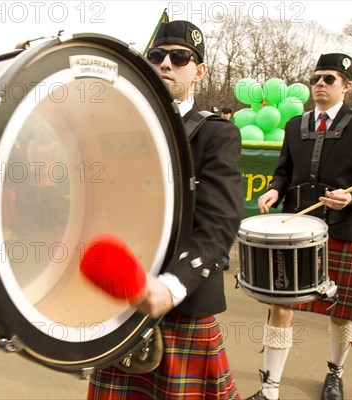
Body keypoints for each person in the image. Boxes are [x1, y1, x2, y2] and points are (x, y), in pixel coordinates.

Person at [87, 20, 243, 400]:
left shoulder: (216, 134)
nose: (166, 64)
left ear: (199, 70)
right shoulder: (118, 128)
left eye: (180, 57)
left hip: (181, 298)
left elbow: (219, 222)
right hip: (122, 301)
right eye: (157, 56)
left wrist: (169, 287)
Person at [248, 53, 352, 400]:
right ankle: (269, 388)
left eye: (329, 79)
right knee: (280, 305)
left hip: (345, 229)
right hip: (297, 231)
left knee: (342, 312)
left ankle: (335, 375)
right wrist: (273, 189)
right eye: (316, 77)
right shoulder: (294, 125)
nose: (320, 84)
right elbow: (284, 171)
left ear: (347, 86)